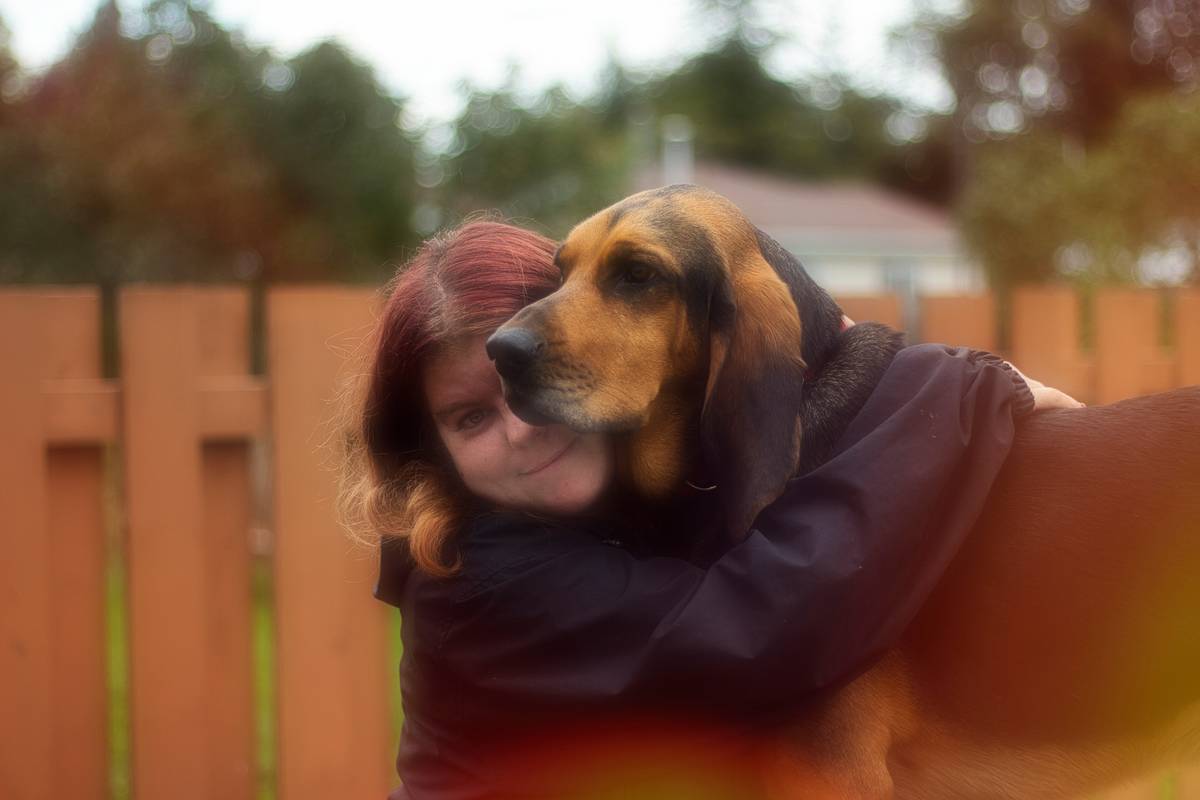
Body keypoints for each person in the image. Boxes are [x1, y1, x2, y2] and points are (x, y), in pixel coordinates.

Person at [337, 218, 1080, 799]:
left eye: (541, 377)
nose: (522, 430)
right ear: (431, 451)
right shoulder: (483, 576)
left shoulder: (625, 516)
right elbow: (762, 624)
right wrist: (958, 394)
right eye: (470, 419)